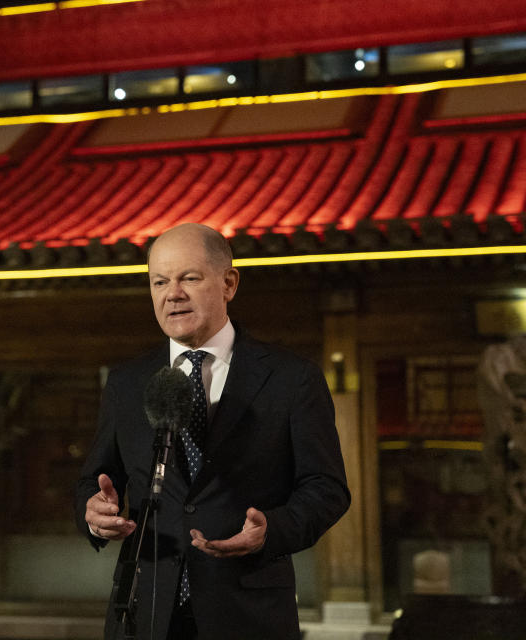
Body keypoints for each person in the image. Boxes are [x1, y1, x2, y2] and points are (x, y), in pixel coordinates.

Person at [74, 223, 350, 640]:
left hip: (248, 613)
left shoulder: (291, 379)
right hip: (143, 612)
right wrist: (94, 515)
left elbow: (326, 488)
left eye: (189, 278)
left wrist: (269, 531)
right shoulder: (127, 383)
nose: (173, 293)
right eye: (160, 281)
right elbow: (92, 483)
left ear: (229, 283)